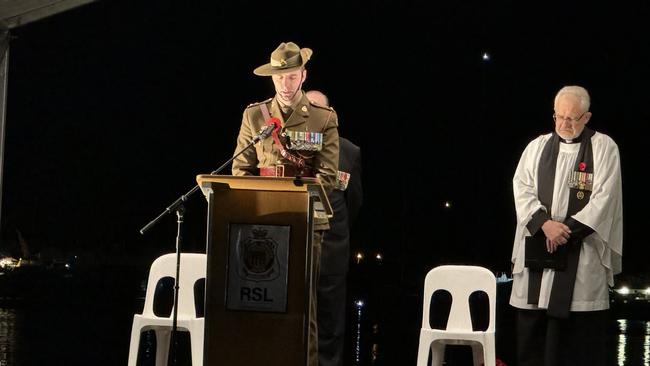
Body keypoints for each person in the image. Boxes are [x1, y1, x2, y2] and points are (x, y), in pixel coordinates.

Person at [231, 42, 340, 366]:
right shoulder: (254, 115)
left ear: (303, 75)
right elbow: (241, 168)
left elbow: (329, 176)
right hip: (263, 221)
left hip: (306, 223)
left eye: (291, 77)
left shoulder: (322, 118)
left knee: (301, 308)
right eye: (279, 78)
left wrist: (294, 195)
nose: (285, 84)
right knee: (259, 301)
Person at [509, 85, 623, 366]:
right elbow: (521, 188)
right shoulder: (536, 147)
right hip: (538, 251)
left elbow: (605, 198)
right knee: (533, 340)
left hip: (580, 253)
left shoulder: (604, 147)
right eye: (559, 117)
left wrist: (565, 231)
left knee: (576, 346)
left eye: (572, 118)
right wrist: (544, 224)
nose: (564, 124)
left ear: (587, 117)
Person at [306, 90, 363, 366]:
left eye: (318, 107)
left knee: (329, 325)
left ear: (330, 113)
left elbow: (353, 203)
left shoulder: (349, 151)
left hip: (332, 248)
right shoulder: (289, 147)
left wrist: (333, 230)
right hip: (296, 249)